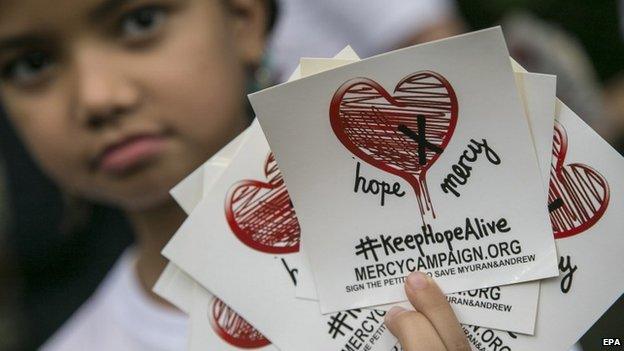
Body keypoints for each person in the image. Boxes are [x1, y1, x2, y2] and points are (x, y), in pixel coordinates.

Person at [0, 0, 469, 350]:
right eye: (31, 64)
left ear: (243, 19)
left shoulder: (466, 250)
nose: (97, 96)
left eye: (139, 21)